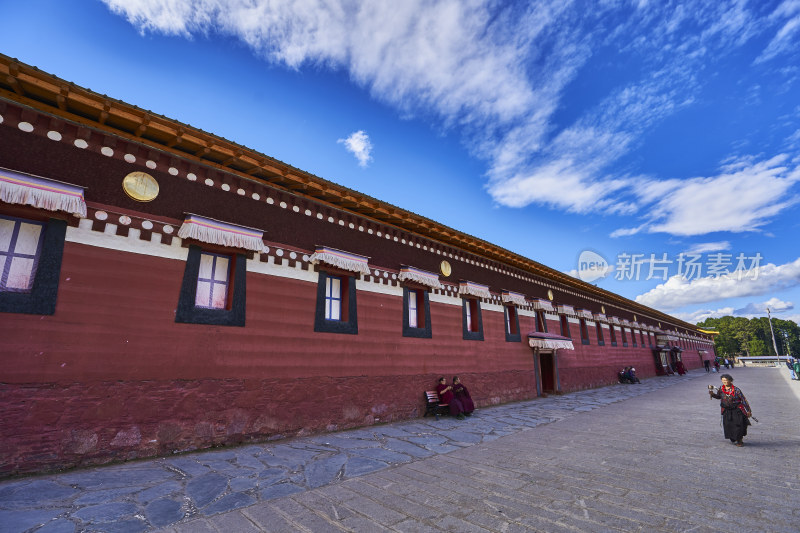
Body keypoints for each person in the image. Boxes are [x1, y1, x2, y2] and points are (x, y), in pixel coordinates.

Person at [708, 374, 752, 447]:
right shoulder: (721, 389)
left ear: (730, 380)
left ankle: (739, 440)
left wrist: (748, 410)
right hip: (726, 411)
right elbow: (719, 397)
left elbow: (743, 400)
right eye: (723, 380)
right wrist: (712, 394)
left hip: (737, 410)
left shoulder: (736, 390)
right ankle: (733, 438)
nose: (724, 382)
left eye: (726, 380)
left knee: (739, 426)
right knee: (729, 426)